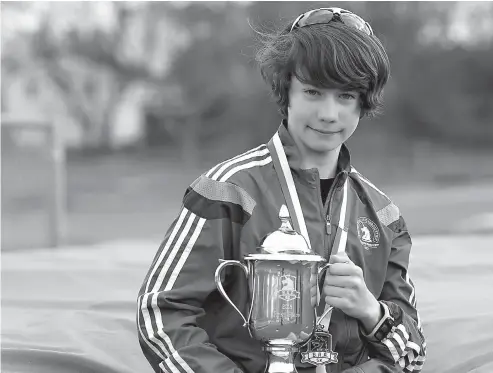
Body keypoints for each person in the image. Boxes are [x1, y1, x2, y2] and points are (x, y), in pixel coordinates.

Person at [137, 6, 426, 373]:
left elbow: (412, 350)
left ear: (363, 102)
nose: (328, 113)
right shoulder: (227, 190)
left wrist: (372, 311)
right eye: (313, 91)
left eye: (346, 96)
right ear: (285, 90)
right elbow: (160, 313)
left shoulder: (384, 216)